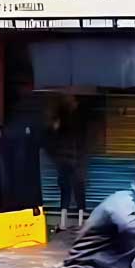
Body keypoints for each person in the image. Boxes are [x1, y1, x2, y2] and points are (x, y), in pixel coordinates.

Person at [46, 94, 87, 231]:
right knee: (76, 189)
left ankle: (65, 222)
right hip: (74, 159)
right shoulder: (79, 118)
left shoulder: (64, 117)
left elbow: (53, 137)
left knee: (67, 189)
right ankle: (78, 223)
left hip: (66, 159)